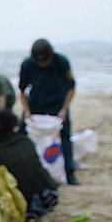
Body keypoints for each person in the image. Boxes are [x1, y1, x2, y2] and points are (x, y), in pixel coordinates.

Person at [0, 109, 59, 222]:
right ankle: (38, 219)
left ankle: (25, 220)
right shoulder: (26, 141)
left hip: (29, 202)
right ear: (15, 127)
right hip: (50, 194)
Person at [18, 38, 79, 185]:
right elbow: (22, 90)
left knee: (65, 136)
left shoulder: (62, 62)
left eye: (45, 61)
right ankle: (21, 167)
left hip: (57, 104)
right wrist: (27, 111)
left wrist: (64, 109)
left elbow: (71, 87)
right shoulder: (27, 65)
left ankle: (69, 172)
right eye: (40, 62)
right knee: (22, 134)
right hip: (35, 103)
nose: (43, 64)